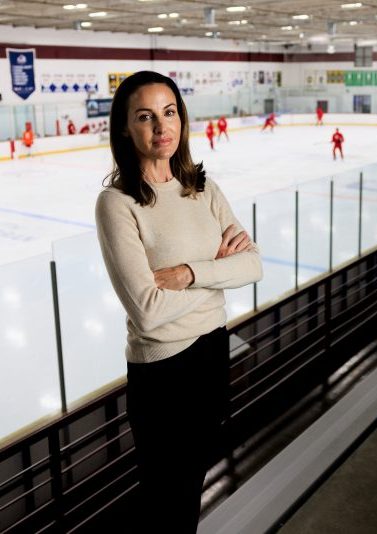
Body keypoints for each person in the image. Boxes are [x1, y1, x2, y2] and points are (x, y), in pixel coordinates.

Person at [95, 71, 262, 534]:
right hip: (164, 373)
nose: (160, 126)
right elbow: (148, 311)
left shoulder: (202, 187)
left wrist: (190, 274)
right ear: (125, 127)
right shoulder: (117, 203)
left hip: (211, 354)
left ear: (182, 120)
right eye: (144, 117)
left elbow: (253, 265)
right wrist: (217, 278)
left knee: (190, 491)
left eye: (169, 113)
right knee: (167, 500)